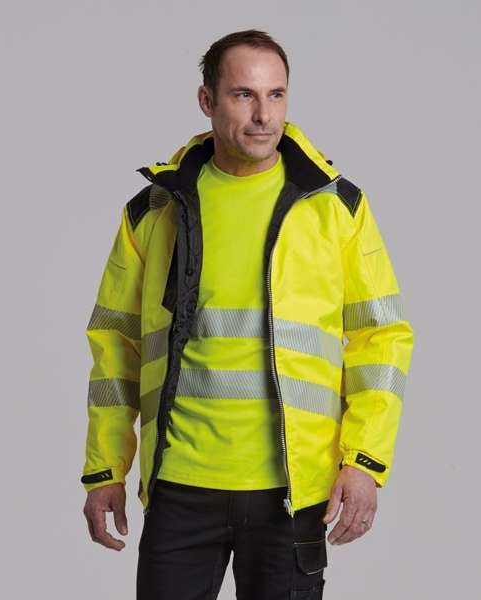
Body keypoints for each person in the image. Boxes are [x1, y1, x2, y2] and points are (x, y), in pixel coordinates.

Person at [80, 29, 414, 600]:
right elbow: (116, 344)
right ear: (207, 100)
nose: (264, 115)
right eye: (244, 95)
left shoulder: (335, 208)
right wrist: (105, 470)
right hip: (180, 487)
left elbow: (381, 338)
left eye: (276, 95)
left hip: (291, 492)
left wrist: (364, 462)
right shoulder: (156, 209)